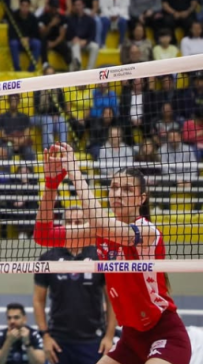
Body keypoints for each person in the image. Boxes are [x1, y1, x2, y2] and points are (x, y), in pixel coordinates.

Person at [34, 142, 192, 364]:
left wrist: (74, 171)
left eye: (127, 190)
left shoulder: (146, 230)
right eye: (114, 187)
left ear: (141, 198)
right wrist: (51, 185)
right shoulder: (101, 232)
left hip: (163, 334)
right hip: (131, 338)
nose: (118, 193)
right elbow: (44, 235)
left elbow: (101, 225)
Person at [33, 206, 117, 364]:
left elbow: (112, 299)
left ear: (86, 224)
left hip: (93, 340)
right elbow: (38, 300)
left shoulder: (99, 255)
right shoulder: (48, 257)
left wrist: (109, 336)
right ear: (63, 226)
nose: (73, 226)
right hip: (58, 341)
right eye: (69, 222)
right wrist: (45, 336)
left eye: (78, 222)